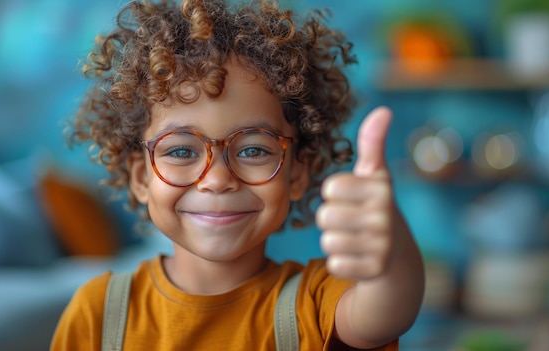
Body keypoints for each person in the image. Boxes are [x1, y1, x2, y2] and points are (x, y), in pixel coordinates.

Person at [50, 0, 425, 350]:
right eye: (181, 150)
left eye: (253, 150)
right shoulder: (98, 312)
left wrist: (392, 254)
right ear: (140, 177)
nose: (216, 179)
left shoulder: (316, 301)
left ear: (297, 172)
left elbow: (385, 310)